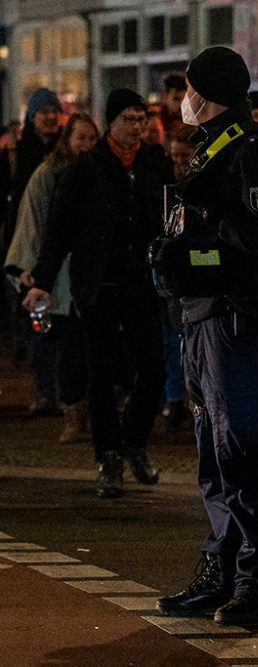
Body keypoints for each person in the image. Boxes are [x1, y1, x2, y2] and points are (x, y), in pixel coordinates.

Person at [154, 46, 258, 628]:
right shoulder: (215, 151)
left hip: (238, 324)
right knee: (216, 457)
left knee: (245, 458)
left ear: (204, 95)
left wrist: (192, 254)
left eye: (188, 89)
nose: (183, 99)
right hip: (206, 322)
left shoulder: (252, 153)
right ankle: (223, 572)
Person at [23, 89, 171, 498]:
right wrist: (42, 281)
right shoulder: (86, 168)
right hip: (99, 286)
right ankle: (109, 457)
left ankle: (134, 442)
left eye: (141, 119)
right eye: (128, 119)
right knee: (100, 375)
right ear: (110, 122)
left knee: (153, 368)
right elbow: (59, 232)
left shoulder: (153, 163)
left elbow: (171, 220)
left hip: (142, 284)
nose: (136, 127)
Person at [4, 113, 99, 444]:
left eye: (91, 139)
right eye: (80, 138)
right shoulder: (48, 174)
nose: (86, 145)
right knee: (61, 344)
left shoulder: (101, 173)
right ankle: (70, 412)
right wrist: (30, 268)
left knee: (91, 346)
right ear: (68, 140)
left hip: (90, 275)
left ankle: (87, 411)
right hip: (56, 276)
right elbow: (32, 219)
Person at [1, 88, 64, 416]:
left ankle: (59, 389)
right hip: (25, 252)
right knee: (36, 323)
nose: (51, 117)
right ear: (32, 117)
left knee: (62, 323)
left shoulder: (68, 152)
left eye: (55, 111)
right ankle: (45, 389)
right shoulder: (16, 154)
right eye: (44, 112)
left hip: (59, 253)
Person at [160, 128, 197, 433]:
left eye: (185, 157)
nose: (179, 163)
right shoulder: (167, 187)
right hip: (174, 272)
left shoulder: (206, 185)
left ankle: (193, 399)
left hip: (198, 270)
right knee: (175, 339)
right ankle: (176, 398)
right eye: (174, 157)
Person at [158, 72, 188, 137]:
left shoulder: (192, 121)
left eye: (185, 100)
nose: (181, 104)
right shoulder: (156, 123)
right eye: (176, 99)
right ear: (164, 97)